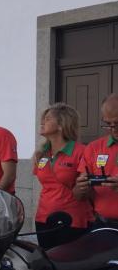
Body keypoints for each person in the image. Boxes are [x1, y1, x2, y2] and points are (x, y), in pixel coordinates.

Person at [33, 103, 93, 249]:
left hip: (72, 220)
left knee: (71, 266)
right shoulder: (41, 154)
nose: (42, 123)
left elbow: (87, 190)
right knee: (48, 264)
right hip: (44, 218)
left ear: (61, 125)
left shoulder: (82, 151)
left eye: (47, 119)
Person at [74, 93, 118, 228]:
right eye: (108, 124)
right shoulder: (93, 148)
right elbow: (78, 195)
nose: (113, 129)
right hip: (102, 224)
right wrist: (81, 188)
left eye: (117, 123)